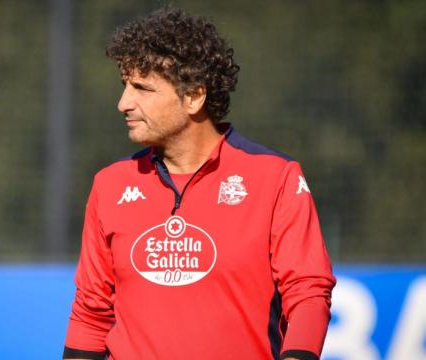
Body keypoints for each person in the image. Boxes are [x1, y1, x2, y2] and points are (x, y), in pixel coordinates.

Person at [63, 7, 335, 360]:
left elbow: (308, 292)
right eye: (125, 86)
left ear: (194, 96)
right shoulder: (109, 184)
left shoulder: (275, 176)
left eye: (142, 88)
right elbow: (91, 311)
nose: (123, 103)